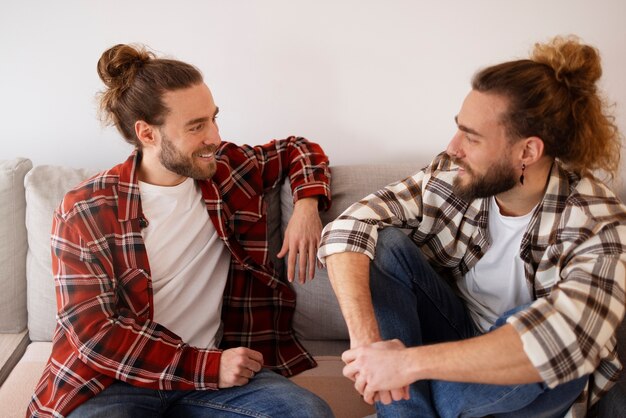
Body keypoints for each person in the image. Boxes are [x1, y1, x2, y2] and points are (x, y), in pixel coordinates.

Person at [318, 35, 625, 417]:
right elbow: (349, 227)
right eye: (459, 128)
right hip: (455, 335)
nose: (453, 147)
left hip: (536, 376)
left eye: (472, 137)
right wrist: (369, 347)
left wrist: (406, 365)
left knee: (520, 331)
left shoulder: (598, 223)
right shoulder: (452, 176)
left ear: (527, 151)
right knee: (383, 243)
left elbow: (559, 341)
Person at [27, 44, 333, 418]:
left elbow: (298, 149)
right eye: (196, 126)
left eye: (214, 119)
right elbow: (95, 333)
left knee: (307, 413)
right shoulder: (86, 209)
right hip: (115, 382)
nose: (215, 137)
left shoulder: (226, 171)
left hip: (213, 381)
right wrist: (205, 366)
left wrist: (307, 205)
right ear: (147, 134)